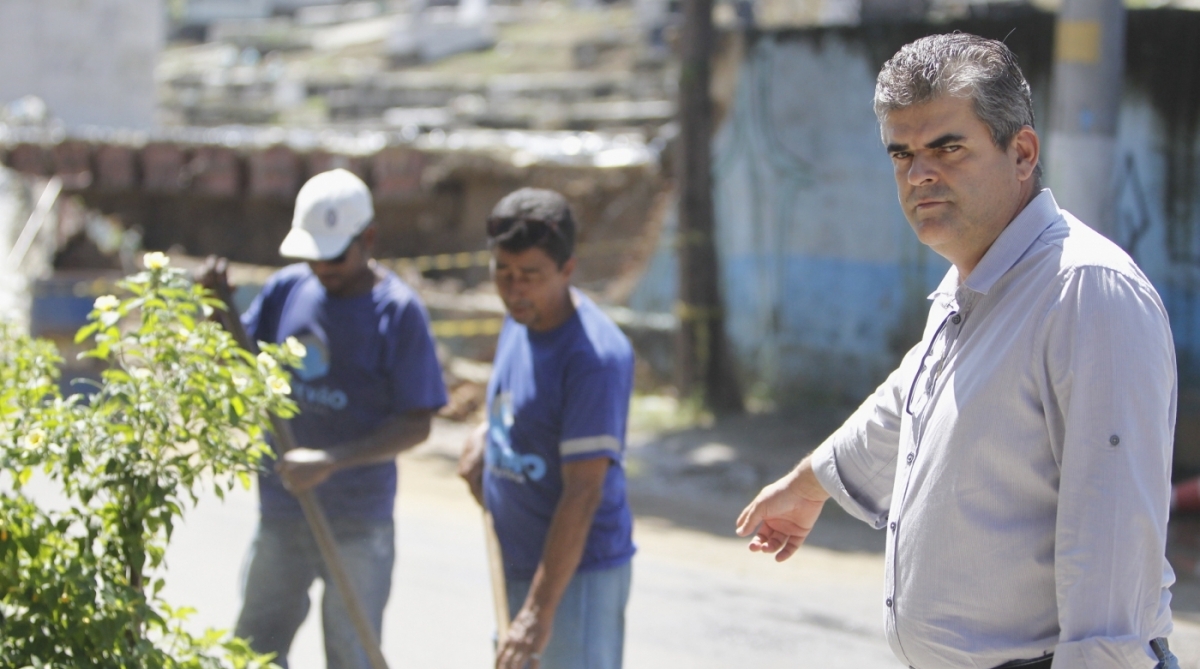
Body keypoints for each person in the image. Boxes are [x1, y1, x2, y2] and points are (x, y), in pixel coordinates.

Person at [735, 33, 1181, 669]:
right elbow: (910, 399)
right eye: (902, 154)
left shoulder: (1083, 290)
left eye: (948, 147)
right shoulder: (976, 282)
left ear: (1021, 151)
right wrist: (811, 484)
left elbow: (1111, 539)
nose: (921, 173)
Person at [208, 168, 447, 668]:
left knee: (350, 654)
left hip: (358, 523)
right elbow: (244, 366)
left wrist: (332, 460)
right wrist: (219, 311)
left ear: (370, 239)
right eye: (312, 255)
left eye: (334, 255)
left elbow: (417, 422)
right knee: (253, 649)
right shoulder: (286, 291)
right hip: (282, 511)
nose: (322, 268)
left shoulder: (398, 313)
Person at [458, 188, 636, 669]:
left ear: (567, 269)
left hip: (573, 580)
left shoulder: (593, 358)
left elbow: (582, 492)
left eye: (530, 276)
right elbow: (516, 405)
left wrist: (537, 613)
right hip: (519, 562)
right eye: (503, 272)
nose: (513, 289)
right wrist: (483, 436)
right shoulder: (522, 318)